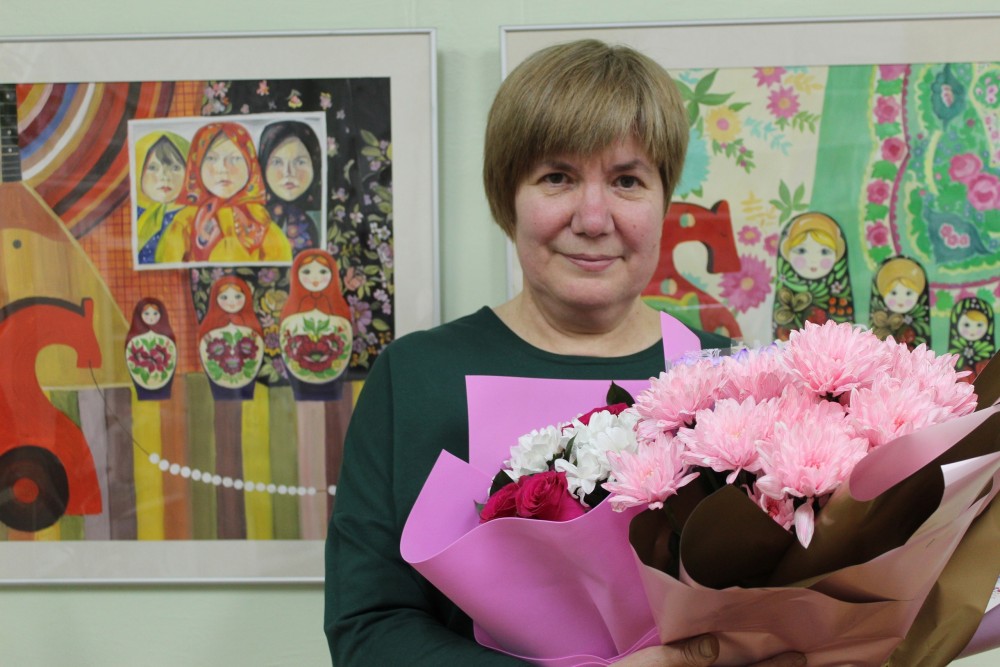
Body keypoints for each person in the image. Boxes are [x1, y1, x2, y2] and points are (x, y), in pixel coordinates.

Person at [325, 40, 805, 667]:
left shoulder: (737, 383)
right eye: (557, 177)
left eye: (627, 180)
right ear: (507, 196)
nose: (594, 218)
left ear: (664, 201)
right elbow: (368, 630)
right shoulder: (414, 378)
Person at [156, 122, 292, 264]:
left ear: (250, 165)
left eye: (235, 159)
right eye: (211, 158)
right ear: (197, 164)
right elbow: (168, 265)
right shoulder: (186, 221)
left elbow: (280, 264)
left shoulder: (259, 219)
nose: (223, 169)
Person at [772, 212, 854, 341]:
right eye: (801, 250)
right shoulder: (786, 297)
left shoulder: (839, 299)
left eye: (824, 251)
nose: (813, 259)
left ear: (838, 255)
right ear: (786, 252)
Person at [258, 119, 323, 252]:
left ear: (315, 164)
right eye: (277, 162)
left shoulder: (328, 217)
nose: (288, 172)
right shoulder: (250, 218)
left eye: (300, 162)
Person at [133, 130, 189, 264]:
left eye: (175, 168)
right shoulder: (131, 214)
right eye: (153, 168)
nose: (164, 176)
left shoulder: (193, 216)